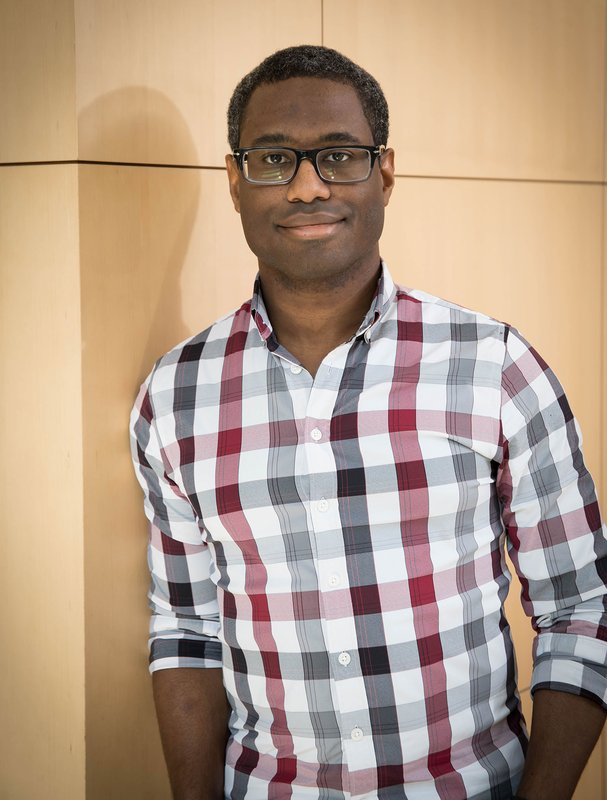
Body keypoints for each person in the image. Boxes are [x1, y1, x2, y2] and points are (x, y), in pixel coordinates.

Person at [130, 45, 607, 800]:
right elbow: (187, 630)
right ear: (234, 181)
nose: (307, 186)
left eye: (339, 156)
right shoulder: (175, 395)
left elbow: (580, 609)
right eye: (273, 159)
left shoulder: (494, 366)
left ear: (384, 173)